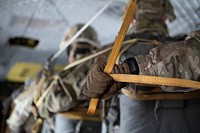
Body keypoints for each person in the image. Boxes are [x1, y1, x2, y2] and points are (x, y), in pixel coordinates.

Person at [83, 0, 200, 133]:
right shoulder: (188, 43)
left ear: (132, 20)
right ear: (165, 18)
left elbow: (77, 89)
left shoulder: (111, 51)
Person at [6, 23, 102, 133]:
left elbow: (15, 122)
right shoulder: (105, 80)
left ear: (69, 53)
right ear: (94, 51)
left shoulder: (51, 84)